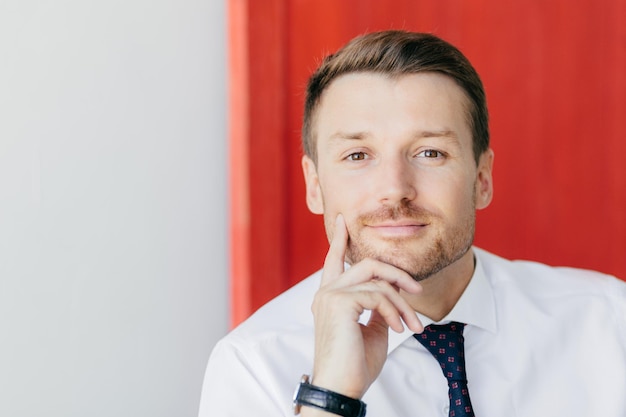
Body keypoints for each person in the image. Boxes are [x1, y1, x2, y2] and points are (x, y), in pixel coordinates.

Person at [198, 30, 626, 417]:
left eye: (429, 153)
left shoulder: (610, 321)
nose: (395, 189)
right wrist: (330, 398)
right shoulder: (252, 367)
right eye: (358, 156)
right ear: (315, 186)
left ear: (482, 179)